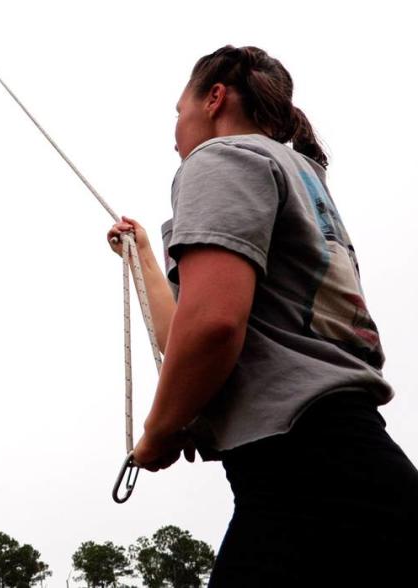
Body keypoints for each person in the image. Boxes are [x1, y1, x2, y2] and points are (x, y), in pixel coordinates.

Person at [106, 45, 418, 586]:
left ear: (215, 98)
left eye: (178, 112)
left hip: (304, 481)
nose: (174, 131)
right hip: (355, 469)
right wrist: (146, 259)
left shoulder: (221, 158)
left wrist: (160, 430)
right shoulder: (302, 176)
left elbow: (213, 327)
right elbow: (188, 332)